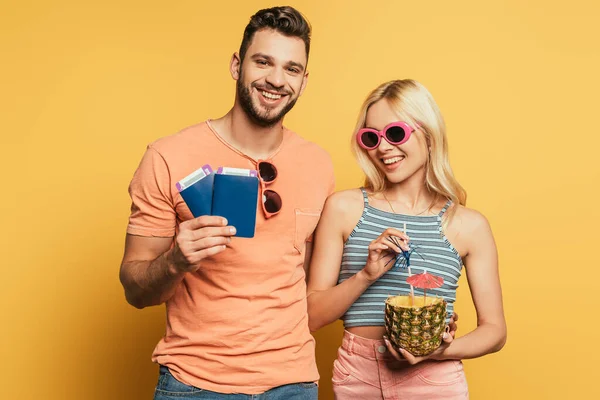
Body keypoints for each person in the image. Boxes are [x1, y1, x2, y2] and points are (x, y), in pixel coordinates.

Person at [119, 6, 334, 399]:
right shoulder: (167, 156)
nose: (275, 79)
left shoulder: (318, 164)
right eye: (263, 62)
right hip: (195, 383)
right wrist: (175, 261)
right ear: (237, 65)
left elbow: (306, 282)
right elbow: (135, 290)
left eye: (291, 69)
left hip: (294, 384)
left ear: (303, 82)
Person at [306, 79, 506, 399]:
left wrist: (435, 352)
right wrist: (366, 275)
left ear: (428, 135)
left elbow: (495, 331)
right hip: (358, 375)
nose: (383, 148)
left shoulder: (467, 225)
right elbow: (312, 315)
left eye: (395, 133)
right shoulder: (344, 209)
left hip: (434, 379)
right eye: (371, 137)